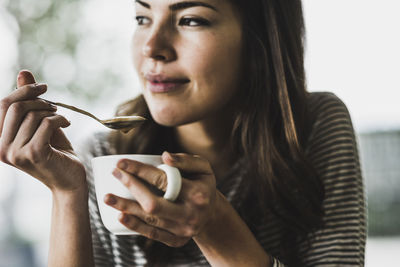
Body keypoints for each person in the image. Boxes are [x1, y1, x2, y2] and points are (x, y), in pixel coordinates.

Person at [0, 0, 366, 266]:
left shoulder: (311, 125)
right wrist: (67, 193)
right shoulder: (106, 154)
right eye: (142, 17)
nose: (151, 47)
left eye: (190, 19)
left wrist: (216, 226)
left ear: (259, 41)